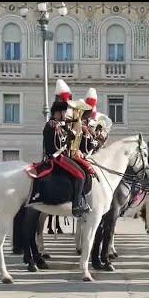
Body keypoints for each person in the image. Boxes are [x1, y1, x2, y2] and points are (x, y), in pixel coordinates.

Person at [42, 79, 91, 217]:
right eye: (63, 111)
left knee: (83, 172)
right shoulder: (51, 124)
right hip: (56, 158)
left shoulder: (60, 125)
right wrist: (71, 130)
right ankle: (76, 206)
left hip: (62, 156)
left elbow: (67, 141)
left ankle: (80, 200)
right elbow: (58, 145)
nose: (66, 114)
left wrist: (74, 129)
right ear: (57, 112)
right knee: (80, 175)